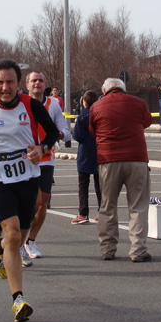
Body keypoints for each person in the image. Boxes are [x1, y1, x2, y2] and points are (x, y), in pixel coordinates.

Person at [0, 59, 58, 322]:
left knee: (18, 235)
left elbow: (52, 132)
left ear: (19, 84)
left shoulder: (31, 106)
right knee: (12, 232)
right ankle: (18, 299)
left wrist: (41, 149)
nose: (4, 87)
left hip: (28, 177)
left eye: (9, 82)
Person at [89, 78, 153, 262]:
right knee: (138, 206)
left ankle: (107, 249)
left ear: (104, 89)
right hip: (136, 158)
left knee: (108, 206)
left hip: (108, 160)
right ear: (123, 89)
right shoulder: (138, 103)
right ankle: (138, 250)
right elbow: (147, 122)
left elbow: (92, 130)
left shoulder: (97, 106)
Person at [24, 71, 70, 261]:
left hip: (46, 159)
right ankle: (16, 242)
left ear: (45, 85)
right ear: (27, 85)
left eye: (41, 80)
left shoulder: (53, 105)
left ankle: (30, 241)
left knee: (42, 205)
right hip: (24, 160)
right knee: (29, 205)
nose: (37, 83)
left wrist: (58, 135)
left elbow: (66, 132)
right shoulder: (20, 104)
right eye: (34, 81)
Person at [71, 90, 102, 225]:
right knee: (100, 185)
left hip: (85, 153)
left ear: (84, 102)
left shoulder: (82, 117)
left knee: (83, 185)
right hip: (100, 153)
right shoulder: (101, 116)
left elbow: (77, 136)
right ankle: (103, 212)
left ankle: (83, 213)